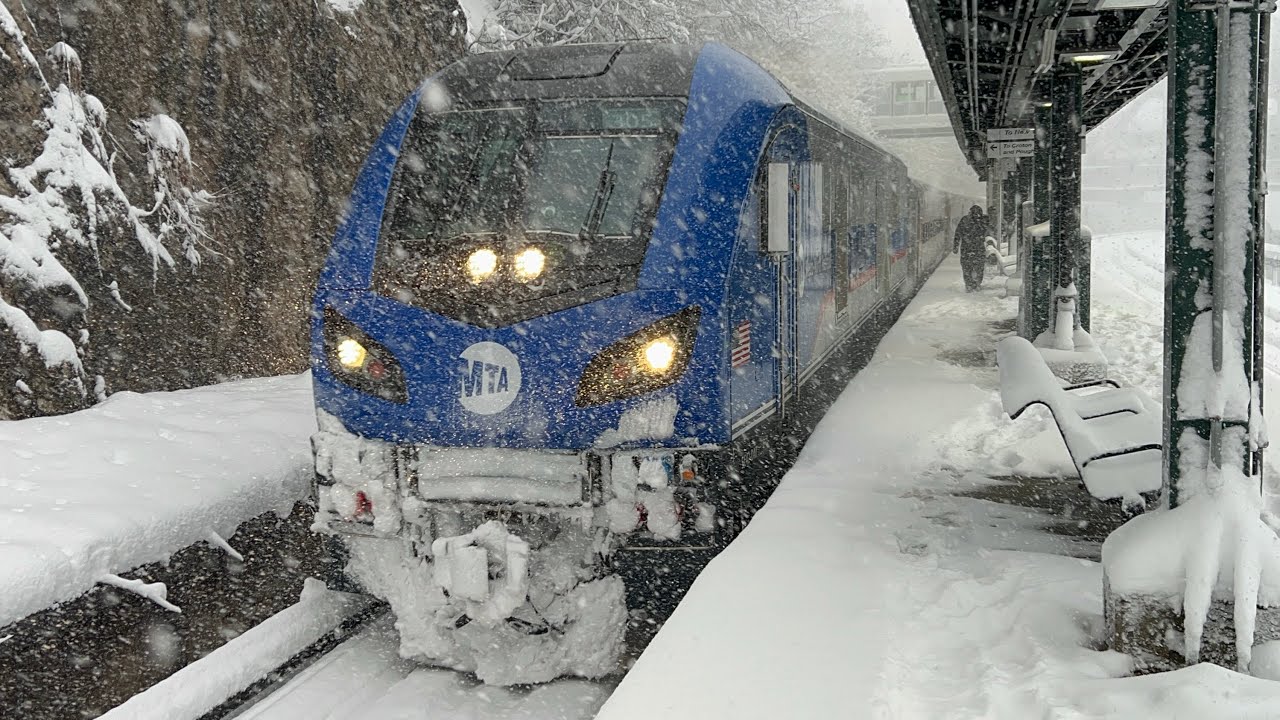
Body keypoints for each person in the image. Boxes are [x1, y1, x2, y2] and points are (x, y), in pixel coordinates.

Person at [953, 205, 990, 292]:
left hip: (966, 249)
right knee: (979, 267)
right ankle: (976, 283)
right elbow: (986, 232)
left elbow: (958, 233)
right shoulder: (983, 221)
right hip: (978, 248)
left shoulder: (965, 220)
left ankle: (969, 284)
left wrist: (956, 246)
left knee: (966, 268)